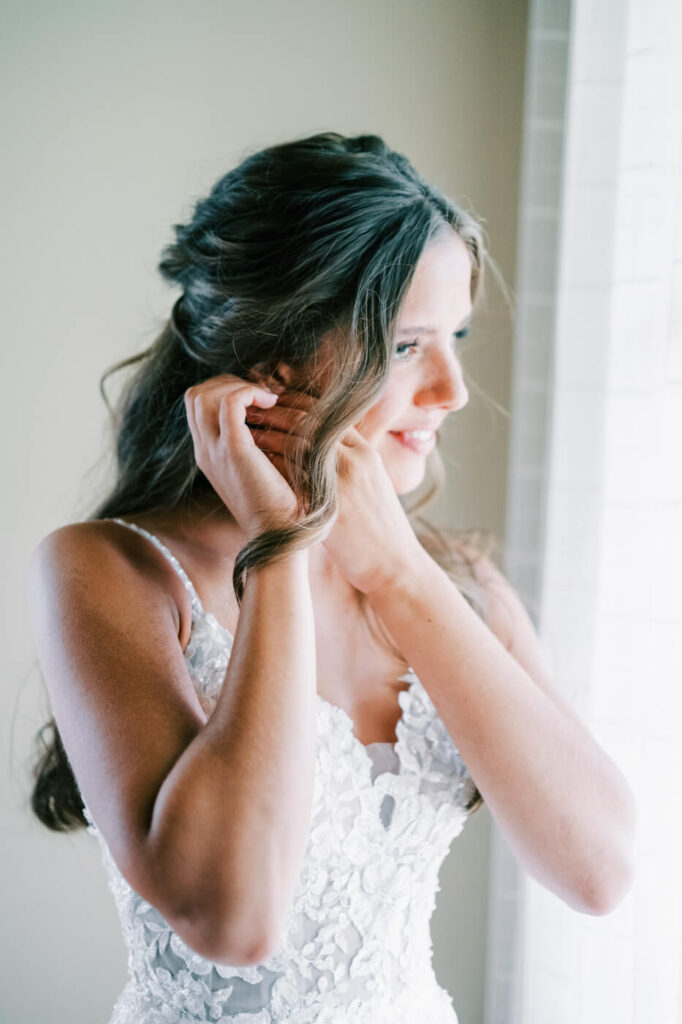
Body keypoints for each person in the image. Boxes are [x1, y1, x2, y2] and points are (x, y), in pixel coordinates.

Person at [27, 131, 636, 1024]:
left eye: (456, 336)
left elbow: (601, 872)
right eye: (406, 345)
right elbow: (232, 921)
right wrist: (281, 546)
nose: (454, 389)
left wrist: (398, 575)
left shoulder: (456, 581)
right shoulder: (112, 571)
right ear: (274, 358)